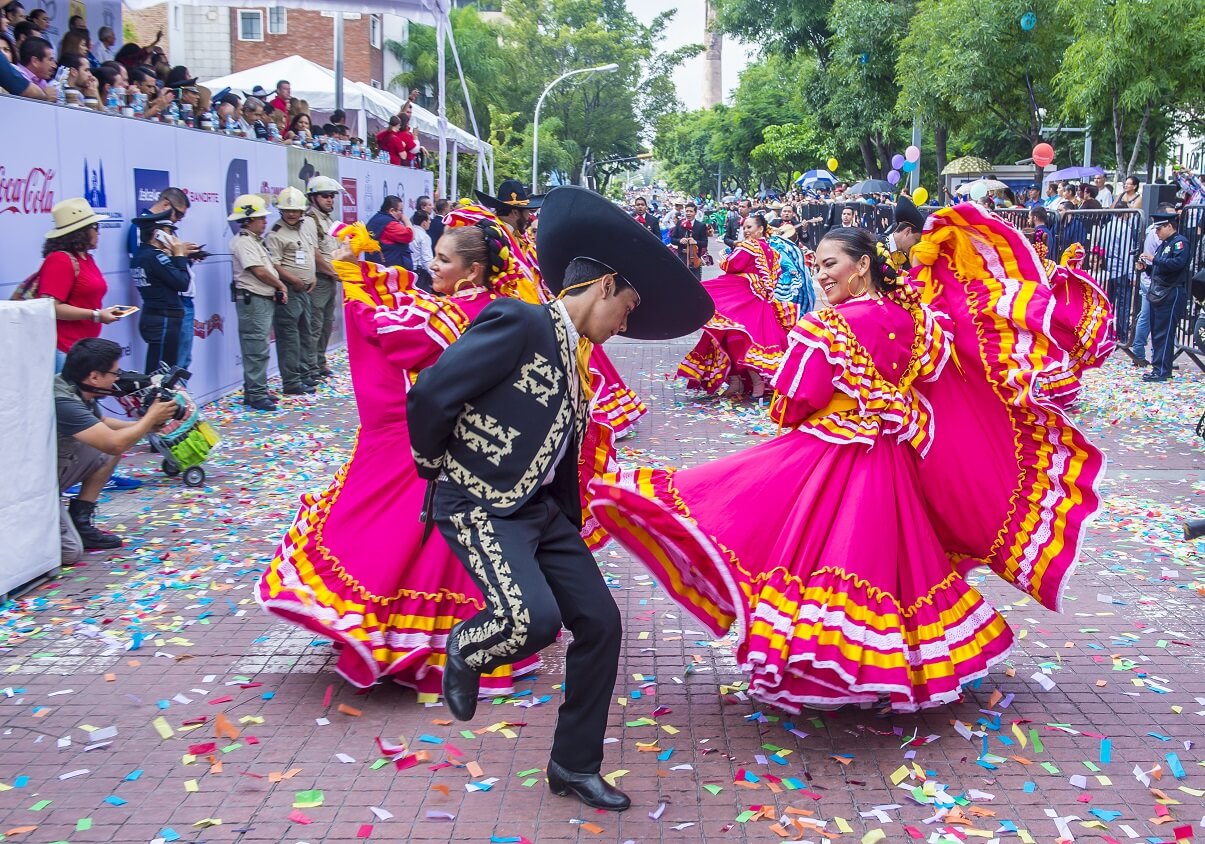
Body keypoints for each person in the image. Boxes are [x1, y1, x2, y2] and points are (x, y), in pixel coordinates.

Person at [588, 209, 1107, 714]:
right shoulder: (916, 320)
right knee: (890, 565)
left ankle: (834, 670)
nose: (821, 274)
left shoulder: (829, 325)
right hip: (896, 463)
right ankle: (886, 671)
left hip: (831, 458)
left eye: (830, 263)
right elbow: (934, 382)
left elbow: (794, 399)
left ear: (861, 264)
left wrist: (817, 411)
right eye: (817, 265)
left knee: (789, 540)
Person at [408, 185, 712, 812]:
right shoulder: (518, 320)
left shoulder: (580, 359)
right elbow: (430, 396)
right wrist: (436, 468)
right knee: (532, 621)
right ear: (603, 286)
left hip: (542, 515)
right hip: (480, 502)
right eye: (626, 307)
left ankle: (574, 765)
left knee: (601, 624)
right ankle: (467, 648)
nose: (625, 324)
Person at [258, 220, 557, 693]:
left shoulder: (458, 315)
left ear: (472, 270)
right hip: (480, 451)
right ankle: (464, 643)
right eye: (434, 256)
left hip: (432, 444)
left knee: (403, 539)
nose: (431, 266)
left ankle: (413, 645)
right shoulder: (503, 309)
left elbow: (396, 337)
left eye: (443, 260)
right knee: (460, 551)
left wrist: (356, 283)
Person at [56, 339, 178, 563]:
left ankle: (80, 520)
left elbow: (102, 423)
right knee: (70, 553)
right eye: (115, 372)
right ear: (94, 377)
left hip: (58, 466)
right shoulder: (64, 401)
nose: (118, 378)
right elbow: (114, 443)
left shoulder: (77, 386)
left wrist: (148, 426)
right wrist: (149, 417)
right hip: (37, 487)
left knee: (114, 446)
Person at [678, 213, 792, 398]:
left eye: (749, 227)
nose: (746, 231)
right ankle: (739, 381)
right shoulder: (773, 252)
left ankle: (749, 381)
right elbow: (775, 276)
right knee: (739, 336)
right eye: (744, 228)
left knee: (737, 336)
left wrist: (725, 259)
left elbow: (731, 265)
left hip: (743, 297)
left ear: (760, 229)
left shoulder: (747, 246)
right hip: (761, 301)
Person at [35, 199, 124, 370]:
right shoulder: (60, 260)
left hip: (85, 349)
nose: (99, 233)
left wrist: (99, 314)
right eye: (95, 227)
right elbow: (51, 307)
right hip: (65, 349)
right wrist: (96, 315)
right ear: (81, 232)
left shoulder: (86, 258)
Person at [229, 193, 289, 410]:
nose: (265, 221)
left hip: (260, 299)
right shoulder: (243, 242)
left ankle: (256, 389)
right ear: (248, 219)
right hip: (253, 299)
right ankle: (255, 394)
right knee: (255, 347)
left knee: (260, 346)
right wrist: (281, 285)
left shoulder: (253, 241)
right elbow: (258, 271)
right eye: (261, 218)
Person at [266, 187, 319, 396]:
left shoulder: (304, 226)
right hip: (290, 291)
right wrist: (294, 280)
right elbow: (275, 265)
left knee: (306, 334)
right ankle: (291, 381)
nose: (291, 214)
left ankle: (304, 374)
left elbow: (308, 255)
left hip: (306, 289)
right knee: (290, 339)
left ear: (302, 211)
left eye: (295, 210)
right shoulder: (276, 233)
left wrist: (312, 276)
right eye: (287, 210)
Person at [131, 211, 195, 374]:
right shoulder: (155, 257)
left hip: (157, 316)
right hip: (163, 319)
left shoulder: (142, 255)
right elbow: (182, 283)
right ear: (157, 233)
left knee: (160, 370)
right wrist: (179, 255)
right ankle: (155, 399)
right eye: (169, 231)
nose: (173, 237)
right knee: (160, 375)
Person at [1140, 212, 1190, 383]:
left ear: (1169, 226)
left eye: (1159, 228)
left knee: (1165, 332)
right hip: (1160, 291)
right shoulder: (1164, 244)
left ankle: (1162, 370)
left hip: (1172, 291)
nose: (1157, 233)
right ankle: (1159, 367)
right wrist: (1145, 267)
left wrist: (1154, 260)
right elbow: (1158, 269)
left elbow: (1177, 264)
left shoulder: (1180, 242)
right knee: (1157, 332)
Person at [304, 177, 341, 380]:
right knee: (315, 326)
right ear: (313, 197)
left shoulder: (328, 219)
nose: (330, 200)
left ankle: (319, 363)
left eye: (332, 196)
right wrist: (335, 273)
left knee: (326, 324)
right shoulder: (310, 220)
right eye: (325, 196)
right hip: (320, 278)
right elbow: (315, 254)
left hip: (331, 279)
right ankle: (311, 367)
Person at [767, 223, 815, 313]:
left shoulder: (776, 243)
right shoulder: (774, 222)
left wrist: (791, 270)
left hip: (785, 278)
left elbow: (786, 262)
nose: (746, 230)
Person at [365, 195, 415, 272]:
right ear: (392, 211)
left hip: (377, 267)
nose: (402, 214)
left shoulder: (375, 219)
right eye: (401, 210)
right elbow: (409, 235)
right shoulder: (390, 224)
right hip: (390, 271)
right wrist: (406, 220)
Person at [881, 195, 925, 274]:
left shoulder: (908, 260)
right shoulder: (876, 246)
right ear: (908, 231)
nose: (916, 245)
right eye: (916, 240)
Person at [669, 202, 708, 281]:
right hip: (681, 257)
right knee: (681, 281)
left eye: (691, 211)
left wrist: (695, 242)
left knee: (696, 282)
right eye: (687, 211)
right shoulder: (680, 223)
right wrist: (680, 240)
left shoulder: (701, 226)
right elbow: (672, 239)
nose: (688, 213)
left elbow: (705, 243)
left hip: (695, 259)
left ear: (695, 212)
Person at [410, 210, 435, 290]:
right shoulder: (424, 237)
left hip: (409, 269)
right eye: (429, 220)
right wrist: (434, 275)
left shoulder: (409, 232)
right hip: (419, 273)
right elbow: (426, 259)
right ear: (424, 222)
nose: (430, 222)